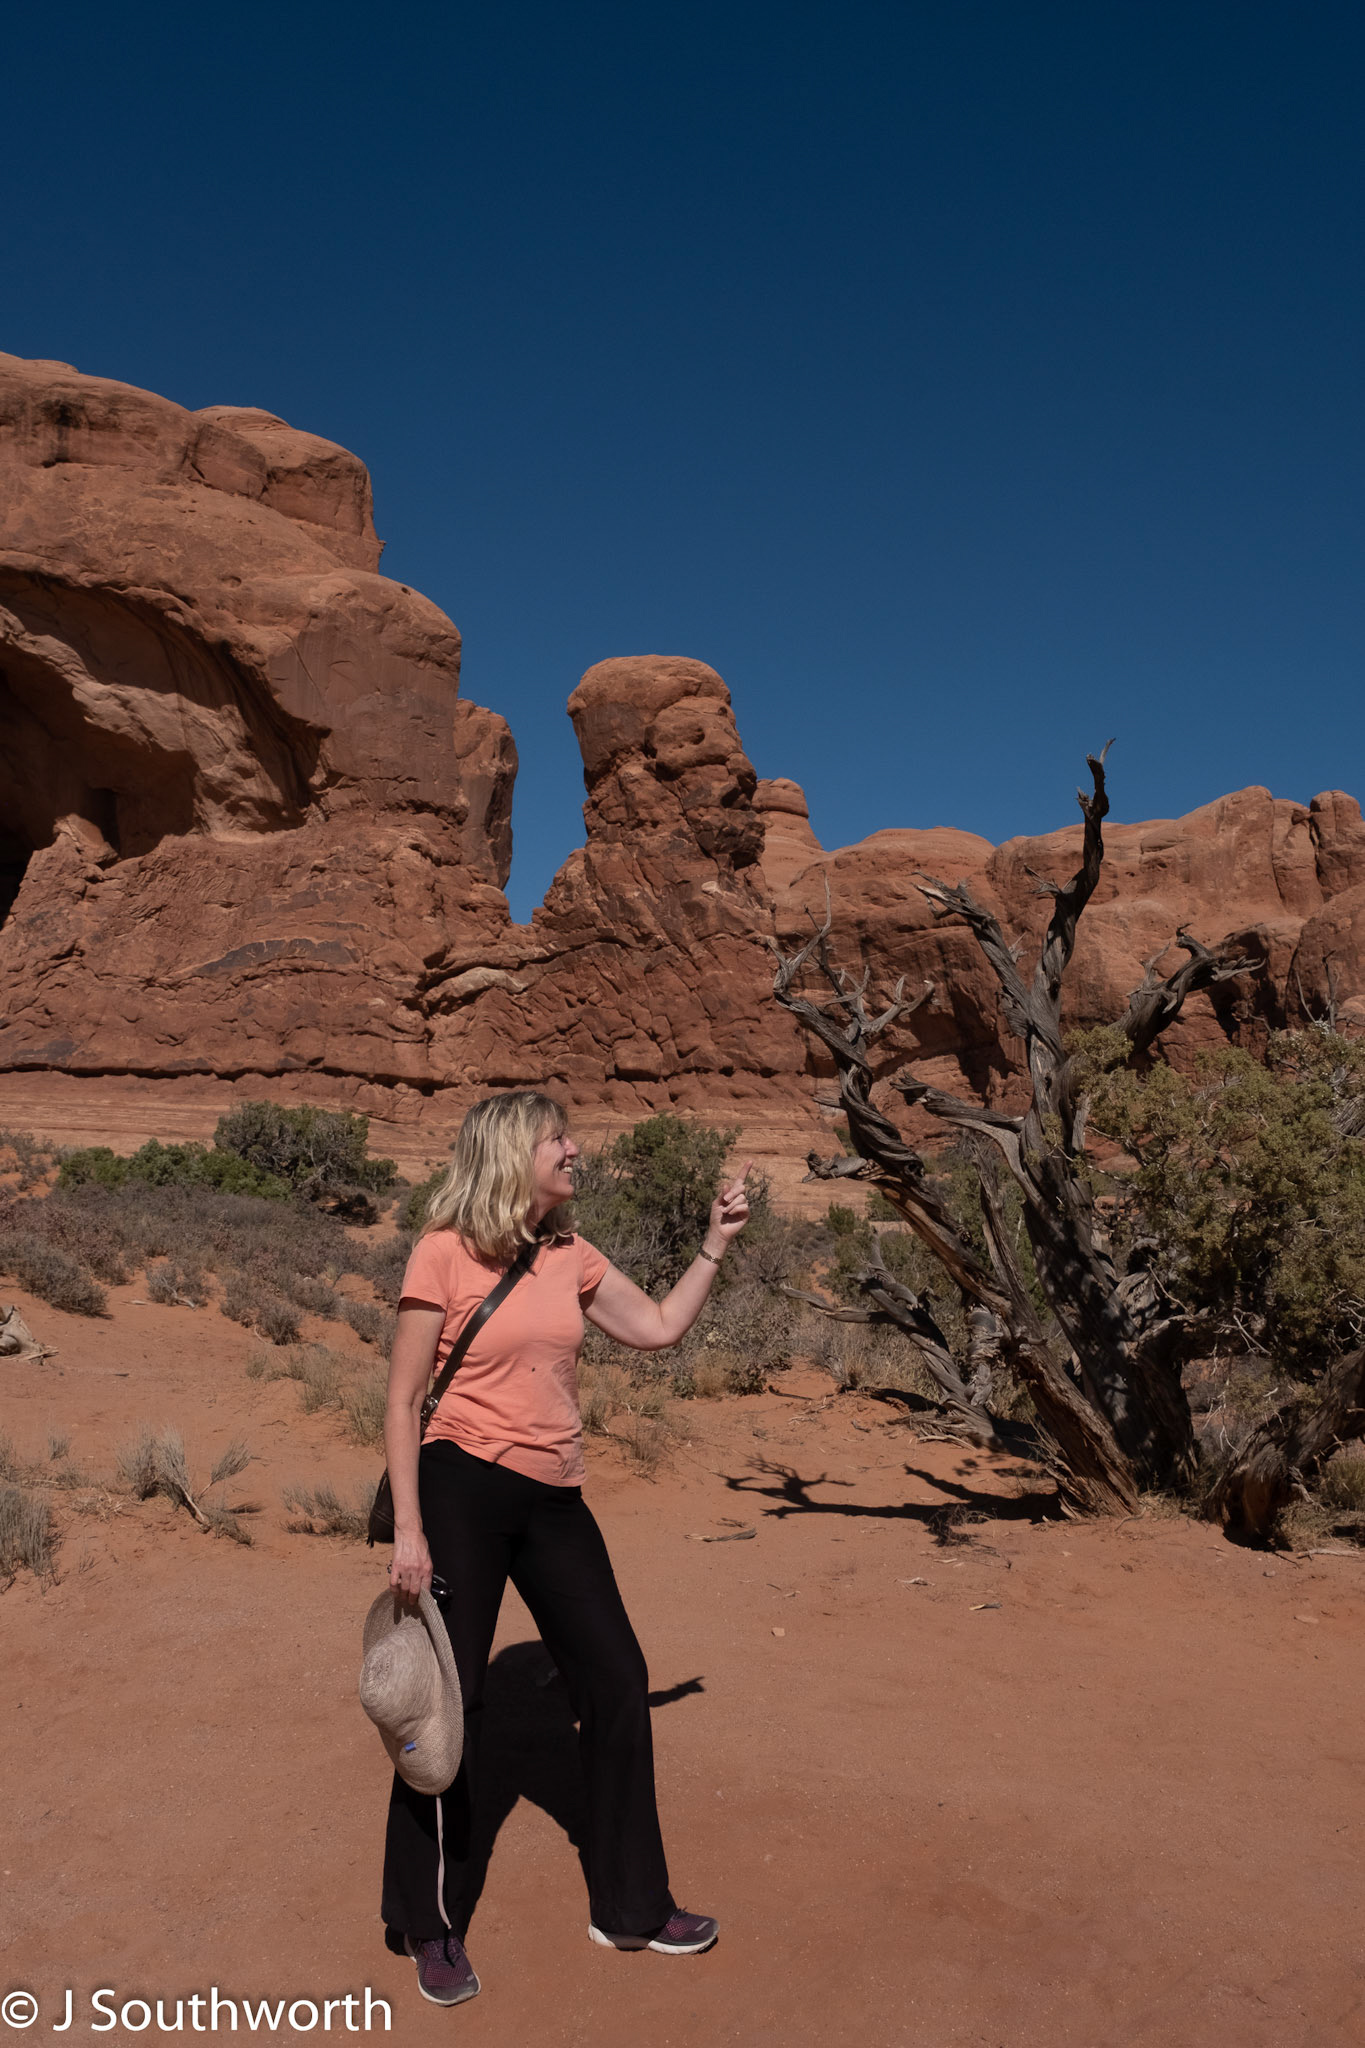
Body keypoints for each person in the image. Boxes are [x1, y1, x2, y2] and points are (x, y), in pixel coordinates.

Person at [380, 1089, 751, 2007]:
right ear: (513, 1153)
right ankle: (429, 1923)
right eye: (558, 1139)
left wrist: (714, 1244)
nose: (574, 1149)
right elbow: (398, 1401)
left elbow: (658, 1330)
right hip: (461, 1486)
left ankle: (632, 1903)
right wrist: (412, 1531)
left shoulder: (568, 1254)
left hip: (554, 1497)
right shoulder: (443, 1251)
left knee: (618, 1679)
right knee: (449, 1706)